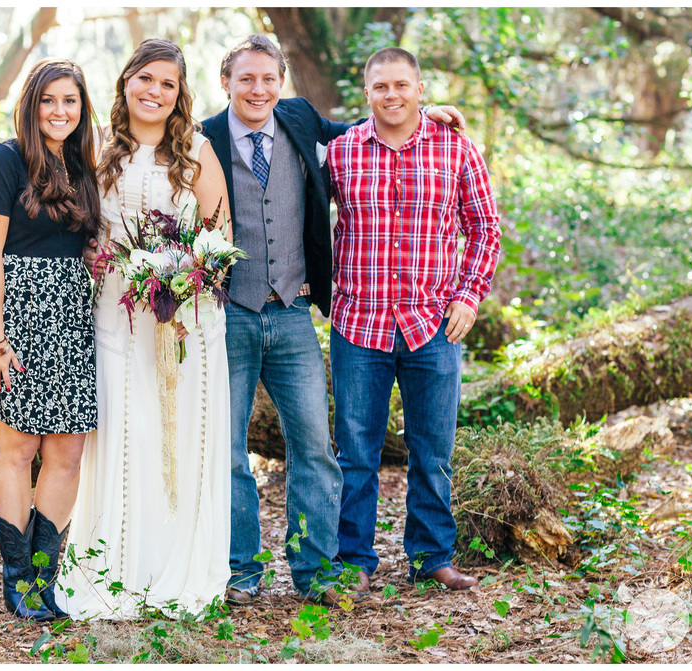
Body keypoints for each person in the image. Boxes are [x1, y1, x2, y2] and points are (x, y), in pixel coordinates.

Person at [200, 35, 467, 605]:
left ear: (282, 82)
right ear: (226, 81)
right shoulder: (202, 138)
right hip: (228, 314)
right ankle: (240, 569)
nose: (258, 89)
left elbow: (371, 127)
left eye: (268, 78)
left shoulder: (300, 121)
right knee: (226, 450)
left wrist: (423, 112)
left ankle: (316, 569)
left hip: (295, 312)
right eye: (246, 78)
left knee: (317, 449)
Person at [58, 38, 233, 620]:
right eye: (146, 79)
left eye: (168, 84)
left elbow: (219, 237)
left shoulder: (197, 151)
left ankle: (178, 565)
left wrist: (186, 280)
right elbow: (83, 236)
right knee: (125, 433)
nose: (155, 92)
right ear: (126, 81)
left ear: (180, 94)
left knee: (183, 438)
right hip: (115, 313)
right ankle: (118, 565)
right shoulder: (97, 149)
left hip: (188, 322)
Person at [327, 47, 501, 592]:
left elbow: (485, 228)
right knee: (355, 452)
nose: (392, 95)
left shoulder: (456, 149)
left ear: (420, 89)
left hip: (434, 324)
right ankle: (352, 560)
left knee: (433, 450)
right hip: (359, 324)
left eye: (402, 85)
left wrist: (469, 296)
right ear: (367, 92)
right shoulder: (339, 153)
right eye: (381, 87)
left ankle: (432, 557)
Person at [0, 58, 102, 621]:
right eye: (49, 100)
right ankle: (16, 580)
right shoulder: (4, 159)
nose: (59, 111)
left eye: (70, 101)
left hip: (69, 314)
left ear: (81, 107)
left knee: (67, 452)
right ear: (31, 104)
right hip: (13, 314)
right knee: (17, 450)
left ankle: (45, 580)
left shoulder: (83, 165)